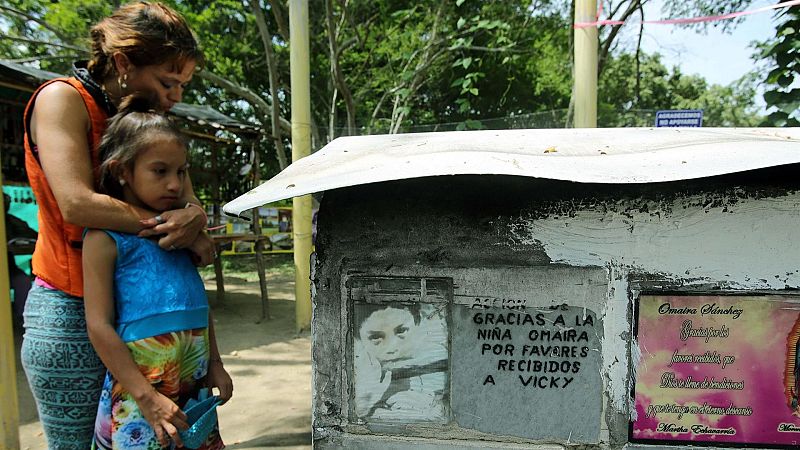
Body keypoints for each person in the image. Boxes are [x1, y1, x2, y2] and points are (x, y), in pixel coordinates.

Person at [21, 3, 213, 448]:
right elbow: (77, 203)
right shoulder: (61, 100)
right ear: (123, 63)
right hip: (71, 312)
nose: (176, 96)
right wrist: (174, 222)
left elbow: (188, 197)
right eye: (168, 82)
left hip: (142, 315)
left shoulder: (145, 119)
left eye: (183, 85)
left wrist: (197, 215)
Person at [84, 95, 232, 449]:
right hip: (141, 393)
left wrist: (215, 362)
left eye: (181, 172)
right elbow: (98, 325)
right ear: (122, 172)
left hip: (192, 381)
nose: (174, 185)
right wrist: (147, 398)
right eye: (160, 171)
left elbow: (198, 305)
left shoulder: (180, 234)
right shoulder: (105, 239)